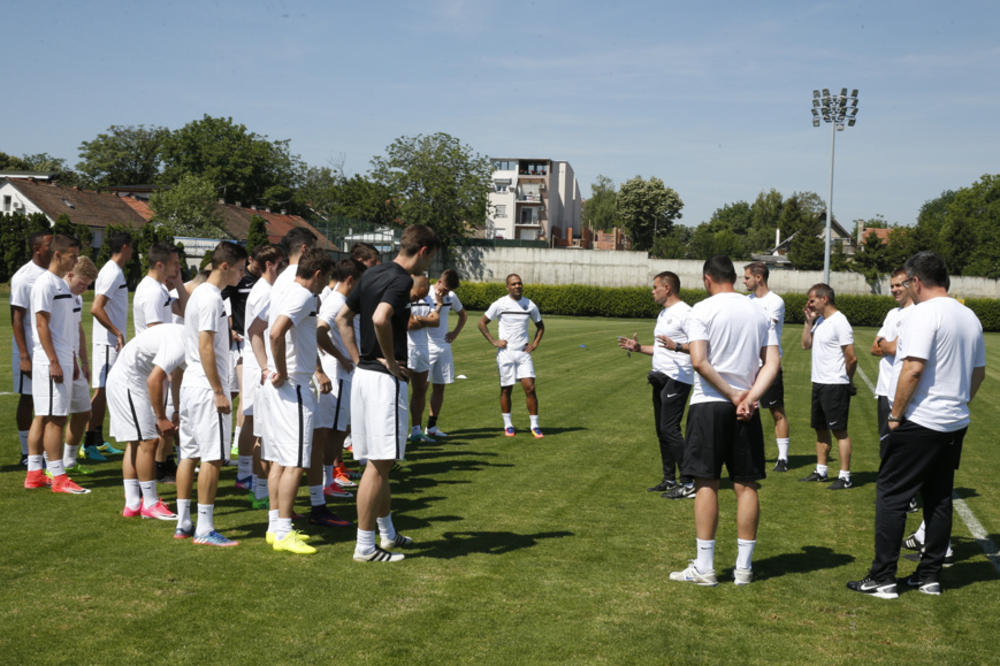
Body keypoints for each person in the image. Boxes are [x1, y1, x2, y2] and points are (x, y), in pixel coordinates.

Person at [848, 251, 985, 598]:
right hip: (954, 421)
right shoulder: (969, 316)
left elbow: (913, 368)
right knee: (938, 497)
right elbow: (978, 372)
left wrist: (895, 415)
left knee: (891, 495)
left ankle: (883, 577)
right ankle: (929, 576)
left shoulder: (924, 313)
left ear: (917, 281)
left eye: (907, 282)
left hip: (921, 420)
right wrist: (959, 402)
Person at [668, 256, 779, 586]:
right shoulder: (758, 310)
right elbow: (772, 363)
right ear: (733, 276)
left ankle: (705, 567)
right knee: (746, 485)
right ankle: (744, 569)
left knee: (707, 484)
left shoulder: (701, 310)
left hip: (710, 404)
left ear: (707, 279)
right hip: (746, 408)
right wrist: (750, 397)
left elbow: (699, 361)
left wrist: (733, 395)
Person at [336, 224, 440, 563]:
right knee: (378, 466)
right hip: (383, 380)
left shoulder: (371, 273)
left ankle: (387, 532)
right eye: (431, 257)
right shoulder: (400, 280)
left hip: (365, 377)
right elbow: (381, 318)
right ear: (423, 250)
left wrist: (359, 359)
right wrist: (392, 362)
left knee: (378, 462)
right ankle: (365, 546)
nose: (429, 265)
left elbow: (342, 318)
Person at [261, 248, 335, 554]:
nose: (326, 285)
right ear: (318, 274)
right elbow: (275, 333)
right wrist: (280, 369)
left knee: (280, 461)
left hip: (284, 387)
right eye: (326, 279)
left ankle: (274, 527)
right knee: (294, 463)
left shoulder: (285, 290)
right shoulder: (303, 296)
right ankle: (283, 532)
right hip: (293, 387)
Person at [175, 241, 247, 546]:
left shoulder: (201, 295)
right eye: (241, 269)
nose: (242, 275)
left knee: (190, 454)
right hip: (206, 388)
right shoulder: (211, 298)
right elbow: (205, 345)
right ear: (225, 266)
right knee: (213, 456)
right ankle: (204, 528)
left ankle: (183, 522)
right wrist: (219, 390)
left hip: (192, 384)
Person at [618, 271, 695, 499]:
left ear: (667, 288)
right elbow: (661, 348)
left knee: (670, 429)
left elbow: (699, 346)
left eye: (655, 287)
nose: (652, 291)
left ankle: (689, 482)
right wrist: (638, 348)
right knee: (662, 431)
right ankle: (669, 479)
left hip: (678, 378)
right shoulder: (663, 314)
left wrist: (677, 346)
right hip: (660, 376)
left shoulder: (686, 313)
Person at [24, 234, 90, 495]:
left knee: (46, 415)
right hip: (51, 359)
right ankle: (59, 476)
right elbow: (41, 323)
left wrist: (72, 358)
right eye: (72, 256)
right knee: (56, 419)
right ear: (57, 255)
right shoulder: (45, 284)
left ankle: (34, 474)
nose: (75, 261)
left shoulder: (61, 284)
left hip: (63, 357)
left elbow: (66, 328)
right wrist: (53, 360)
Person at [108, 323, 186, 521]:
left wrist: (177, 410)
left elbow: (177, 377)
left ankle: (132, 504)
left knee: (136, 442)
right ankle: (150, 504)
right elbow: (154, 380)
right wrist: (161, 418)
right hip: (128, 382)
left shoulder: (183, 336)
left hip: (129, 380)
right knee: (148, 442)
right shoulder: (181, 343)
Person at [315, 258, 366, 497]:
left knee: (339, 428)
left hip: (344, 374)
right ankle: (327, 481)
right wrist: (340, 357)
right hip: (337, 375)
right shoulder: (335, 302)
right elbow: (319, 331)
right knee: (333, 430)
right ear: (350, 280)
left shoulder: (342, 301)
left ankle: (331, 476)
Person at [240, 244, 286, 509]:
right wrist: (266, 367)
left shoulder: (266, 289)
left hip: (261, 364)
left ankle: (256, 484)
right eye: (281, 264)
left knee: (261, 428)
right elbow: (257, 332)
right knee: (260, 429)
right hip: (260, 366)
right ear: (270, 265)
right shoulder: (265, 292)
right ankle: (257, 488)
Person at [800, 283, 857, 490]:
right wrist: (808, 322)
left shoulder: (840, 322)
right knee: (820, 429)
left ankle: (845, 476)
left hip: (835, 384)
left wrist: (847, 380)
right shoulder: (820, 321)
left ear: (824, 299)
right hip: (819, 382)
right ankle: (821, 471)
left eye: (812, 300)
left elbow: (851, 357)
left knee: (839, 431)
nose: (809, 304)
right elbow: (805, 345)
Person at [477, 274, 545, 438]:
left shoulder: (530, 305)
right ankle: (508, 425)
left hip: (523, 354)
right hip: (506, 354)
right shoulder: (500, 304)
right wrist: (494, 341)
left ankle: (535, 426)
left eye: (519, 283)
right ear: (507, 287)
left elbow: (540, 326)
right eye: (513, 284)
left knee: (530, 388)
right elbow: (482, 323)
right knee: (506, 389)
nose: (517, 286)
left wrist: (534, 344)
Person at [87, 230, 133, 460]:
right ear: (125, 247)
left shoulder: (114, 270)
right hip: (107, 342)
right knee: (102, 390)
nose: (133, 252)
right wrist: (116, 332)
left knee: (106, 391)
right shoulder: (112, 272)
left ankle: (98, 440)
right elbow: (96, 307)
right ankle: (88, 443)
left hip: (111, 342)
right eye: (132, 247)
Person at [743, 262, 791, 472]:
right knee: (745, 409)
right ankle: (749, 453)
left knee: (776, 411)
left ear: (759, 277)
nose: (744, 281)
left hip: (769, 364)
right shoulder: (746, 301)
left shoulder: (775, 301)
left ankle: (783, 458)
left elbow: (764, 326)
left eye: (747, 277)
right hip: (749, 364)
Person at [10, 231, 53, 465]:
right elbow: (17, 318)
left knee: (49, 400)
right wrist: (24, 356)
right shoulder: (23, 278)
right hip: (29, 348)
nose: (54, 248)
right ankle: (26, 452)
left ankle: (45, 450)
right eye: (49, 245)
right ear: (37, 249)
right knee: (28, 398)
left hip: (51, 348)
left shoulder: (55, 273)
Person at [59, 256, 99, 478]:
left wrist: (85, 361)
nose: (84, 289)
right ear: (70, 275)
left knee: (83, 411)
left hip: (75, 363)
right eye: (82, 284)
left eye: (87, 286)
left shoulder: (77, 298)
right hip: (62, 361)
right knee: (55, 416)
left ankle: (69, 460)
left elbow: (78, 330)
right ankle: (49, 464)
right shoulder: (58, 292)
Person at [223, 248, 261, 465]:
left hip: (257, 342)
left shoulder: (264, 281)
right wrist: (229, 328)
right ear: (250, 260)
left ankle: (239, 439)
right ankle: (238, 441)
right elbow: (221, 301)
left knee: (244, 393)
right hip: (242, 343)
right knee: (244, 395)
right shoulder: (239, 280)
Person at [871, 269, 913, 454]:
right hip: (883, 389)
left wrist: (884, 343)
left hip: (901, 390)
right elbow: (874, 348)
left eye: (898, 285)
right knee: (885, 442)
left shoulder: (915, 313)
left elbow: (896, 348)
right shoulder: (892, 313)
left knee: (901, 446)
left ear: (910, 284)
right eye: (892, 286)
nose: (894, 290)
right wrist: (886, 344)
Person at [425, 269, 467, 438]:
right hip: (426, 346)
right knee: (421, 389)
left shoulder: (452, 296)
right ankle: (415, 429)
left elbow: (463, 315)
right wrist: (438, 303)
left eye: (450, 291)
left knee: (439, 388)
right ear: (440, 282)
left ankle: (431, 427)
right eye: (446, 289)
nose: (448, 293)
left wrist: (454, 333)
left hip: (444, 347)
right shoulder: (426, 293)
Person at [406, 275, 439, 444]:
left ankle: (416, 431)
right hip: (406, 349)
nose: (428, 291)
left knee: (420, 390)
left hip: (423, 349)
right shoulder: (404, 297)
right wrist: (426, 320)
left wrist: (419, 319)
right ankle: (398, 431)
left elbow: (436, 321)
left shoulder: (427, 299)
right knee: (401, 392)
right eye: (426, 287)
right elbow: (409, 325)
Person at [133, 242, 188, 334]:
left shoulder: (159, 288)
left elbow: (185, 311)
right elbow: (155, 333)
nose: (179, 267)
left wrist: (178, 283)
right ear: (160, 266)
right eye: (175, 263)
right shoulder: (153, 291)